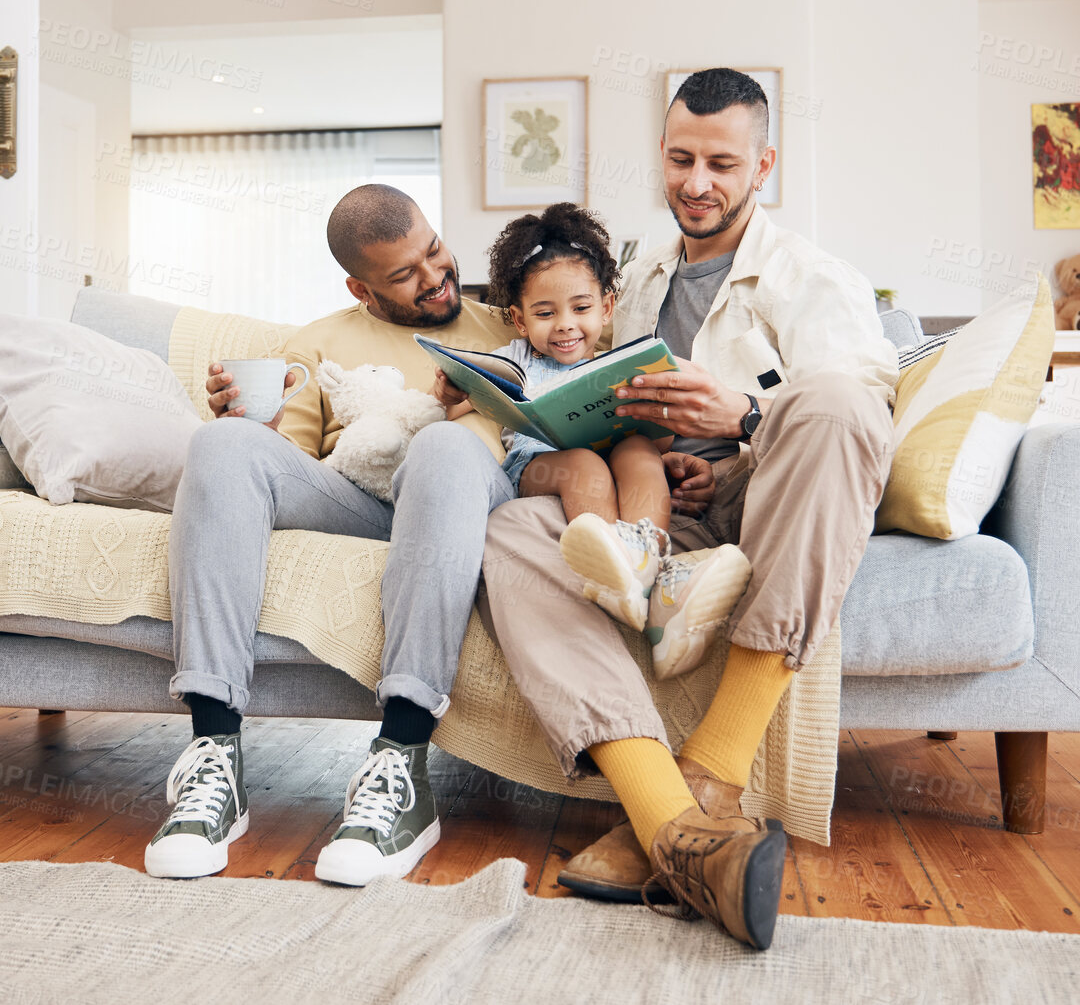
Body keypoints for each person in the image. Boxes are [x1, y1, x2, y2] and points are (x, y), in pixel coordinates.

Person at [143, 184, 714, 887]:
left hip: (467, 494)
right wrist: (246, 419)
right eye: (404, 275)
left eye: (435, 252)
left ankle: (402, 759)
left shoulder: (510, 326)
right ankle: (211, 758)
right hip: (357, 498)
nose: (436, 276)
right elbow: (285, 465)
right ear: (360, 285)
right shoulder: (315, 342)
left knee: (443, 449)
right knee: (221, 444)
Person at [479, 69, 899, 950]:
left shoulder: (812, 279)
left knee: (832, 404)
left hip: (765, 496)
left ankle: (710, 773)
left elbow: (864, 412)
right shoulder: (633, 276)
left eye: (720, 162)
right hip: (655, 501)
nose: (696, 182)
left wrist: (743, 420)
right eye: (679, 159)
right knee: (518, 527)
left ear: (762, 165)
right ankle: (676, 826)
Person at [438, 202, 748, 678]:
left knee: (639, 450)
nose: (565, 324)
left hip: (610, 455)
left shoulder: (619, 361)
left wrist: (654, 437)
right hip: (540, 466)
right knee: (582, 460)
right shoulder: (513, 356)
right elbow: (461, 402)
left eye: (581, 308)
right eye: (545, 313)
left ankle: (647, 559)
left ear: (605, 307)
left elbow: (662, 440)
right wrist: (451, 390)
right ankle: (613, 568)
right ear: (520, 320)